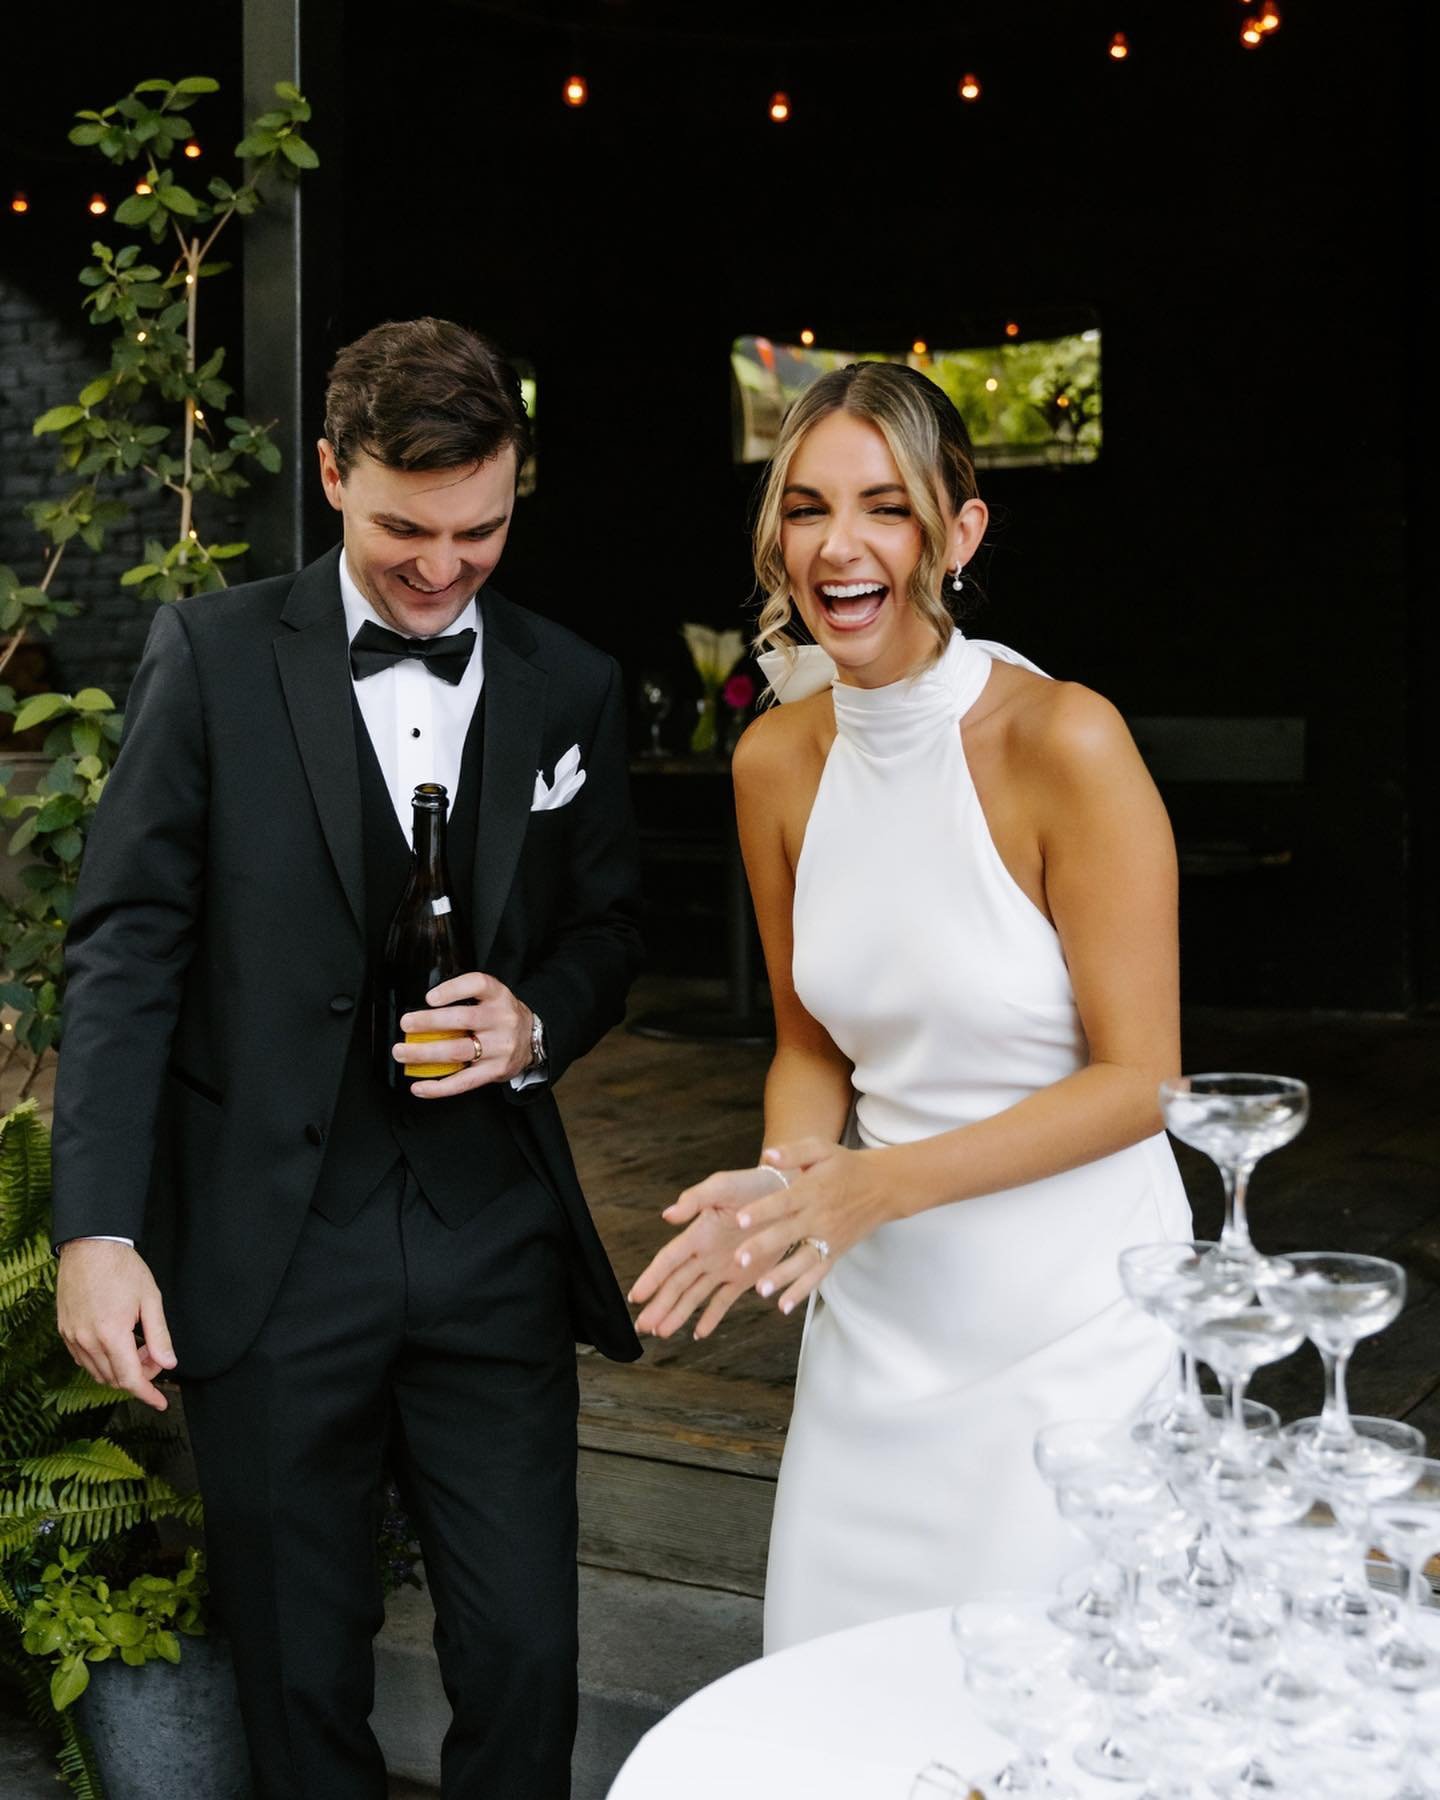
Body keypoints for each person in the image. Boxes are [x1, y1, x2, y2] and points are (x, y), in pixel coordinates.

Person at [50, 317, 643, 1797]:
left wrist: (535, 1022)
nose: (442, 569)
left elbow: (612, 929)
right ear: (329, 474)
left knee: (524, 1660)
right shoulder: (215, 653)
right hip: (270, 1250)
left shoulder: (571, 684)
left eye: (479, 529)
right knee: (297, 1672)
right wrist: (100, 1232)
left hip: (490, 1243)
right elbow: (126, 951)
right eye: (403, 529)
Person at [630, 361, 1191, 1652]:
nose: (840, 546)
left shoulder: (1067, 741)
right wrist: (789, 1187)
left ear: (960, 529)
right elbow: (810, 1046)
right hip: (876, 1340)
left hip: (1077, 1336)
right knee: (837, 1710)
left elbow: (1145, 1080)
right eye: (808, 507)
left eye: (885, 507)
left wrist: (873, 1189)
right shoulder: (773, 762)